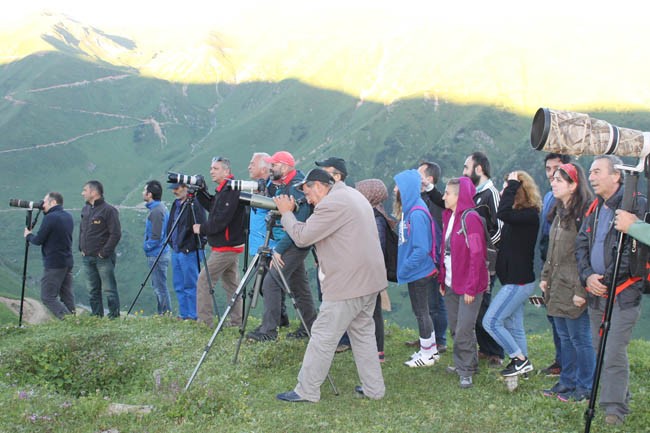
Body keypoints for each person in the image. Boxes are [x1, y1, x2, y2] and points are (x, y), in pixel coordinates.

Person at [274, 168, 386, 402]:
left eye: (308, 193)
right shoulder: (353, 195)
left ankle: (307, 390)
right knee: (363, 334)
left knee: (323, 335)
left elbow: (302, 237)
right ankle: (374, 389)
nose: (308, 200)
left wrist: (286, 214)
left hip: (348, 283)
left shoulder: (332, 203)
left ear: (319, 186)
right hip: (370, 280)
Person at [575, 155, 645, 426]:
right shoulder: (596, 208)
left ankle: (614, 409)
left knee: (613, 350)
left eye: (597, 172)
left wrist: (605, 280)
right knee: (599, 348)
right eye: (590, 172)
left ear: (617, 176)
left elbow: (633, 252)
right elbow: (582, 244)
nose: (591, 177)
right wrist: (587, 276)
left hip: (623, 294)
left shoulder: (634, 205)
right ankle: (616, 395)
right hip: (596, 293)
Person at [246, 151, 316, 342]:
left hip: (295, 242)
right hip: (294, 240)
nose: (270, 169)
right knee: (299, 285)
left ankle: (269, 331)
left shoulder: (296, 188)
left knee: (271, 281)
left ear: (284, 168)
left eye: (274, 165)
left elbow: (298, 226)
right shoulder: (287, 185)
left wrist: (278, 249)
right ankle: (309, 326)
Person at [540, 162, 595, 402]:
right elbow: (551, 250)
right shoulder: (559, 212)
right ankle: (567, 381)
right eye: (553, 178)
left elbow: (588, 255)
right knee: (564, 336)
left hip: (574, 287)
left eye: (559, 180)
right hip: (557, 285)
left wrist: (582, 290)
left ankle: (585, 387)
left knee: (580, 339)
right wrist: (544, 278)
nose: (553, 182)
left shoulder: (583, 215)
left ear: (573, 185)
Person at [482, 171, 541, 377]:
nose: (503, 191)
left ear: (519, 190)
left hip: (518, 282)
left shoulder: (530, 215)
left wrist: (512, 185)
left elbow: (502, 213)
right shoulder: (519, 216)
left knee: (491, 321)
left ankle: (518, 358)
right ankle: (523, 367)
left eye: (507, 187)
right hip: (514, 280)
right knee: (514, 325)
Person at [440, 177, 489, 388]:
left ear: (459, 196)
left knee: (464, 329)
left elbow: (477, 255)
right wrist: (443, 279)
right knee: (454, 326)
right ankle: (465, 363)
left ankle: (467, 370)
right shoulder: (449, 217)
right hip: (452, 282)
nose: (444, 197)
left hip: (469, 285)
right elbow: (445, 251)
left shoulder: (471, 219)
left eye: (448, 193)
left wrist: (472, 286)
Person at [394, 169, 441, 367]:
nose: (395, 189)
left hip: (419, 271)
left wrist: (405, 268)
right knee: (422, 311)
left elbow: (421, 248)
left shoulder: (417, 213)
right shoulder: (411, 210)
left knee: (422, 312)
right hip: (416, 270)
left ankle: (427, 355)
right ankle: (430, 349)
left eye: (398, 185)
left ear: (407, 189)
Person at [462, 151, 504, 366]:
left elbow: (499, 228)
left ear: (479, 169)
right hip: (476, 260)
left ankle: (495, 351)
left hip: (487, 262)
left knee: (483, 305)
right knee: (478, 305)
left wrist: (487, 252)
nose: (464, 172)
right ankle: (485, 348)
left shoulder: (491, 194)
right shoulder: (475, 194)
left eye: (466, 167)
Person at [193, 156, 246, 328]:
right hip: (229, 245)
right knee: (231, 284)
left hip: (226, 247)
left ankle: (205, 322)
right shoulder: (224, 190)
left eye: (215, 168)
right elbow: (213, 208)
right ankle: (237, 321)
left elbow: (220, 220)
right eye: (211, 168)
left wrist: (201, 228)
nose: (211, 171)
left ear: (226, 171)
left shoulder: (231, 191)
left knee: (204, 280)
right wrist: (201, 192)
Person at [246, 152, 289, 327]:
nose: (249, 166)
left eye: (252, 164)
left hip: (270, 246)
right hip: (258, 245)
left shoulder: (273, 188)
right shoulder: (260, 187)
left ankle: (273, 322)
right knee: (266, 286)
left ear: (264, 168)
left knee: (268, 286)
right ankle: (280, 318)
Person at [538, 153, 571, 377]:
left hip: (566, 269)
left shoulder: (572, 201)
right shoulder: (550, 196)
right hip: (548, 263)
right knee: (554, 316)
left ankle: (571, 366)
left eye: (556, 169)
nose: (551, 174)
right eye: (548, 169)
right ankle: (561, 361)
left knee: (568, 321)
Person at [355, 179, 393, 362]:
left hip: (370, 273)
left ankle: (377, 352)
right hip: (370, 272)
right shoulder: (374, 214)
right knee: (370, 310)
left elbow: (375, 248)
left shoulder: (376, 218)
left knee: (373, 311)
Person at [24, 192, 75, 319]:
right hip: (67, 261)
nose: (42, 204)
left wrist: (28, 235)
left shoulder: (50, 218)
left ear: (53, 202)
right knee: (66, 294)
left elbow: (38, 240)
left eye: (45, 202)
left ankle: (69, 322)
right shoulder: (68, 216)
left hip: (54, 263)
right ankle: (75, 320)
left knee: (47, 296)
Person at [414, 160, 448, 353]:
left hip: (433, 257)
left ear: (430, 178)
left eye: (420, 175)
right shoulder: (423, 197)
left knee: (435, 301)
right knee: (425, 301)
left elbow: (436, 229)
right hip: (424, 256)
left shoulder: (437, 200)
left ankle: (440, 339)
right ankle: (427, 337)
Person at [79, 180, 122, 318]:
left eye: (85, 190)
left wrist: (104, 253)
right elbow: (82, 230)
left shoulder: (109, 210)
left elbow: (115, 233)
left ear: (93, 192)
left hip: (103, 258)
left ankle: (114, 316)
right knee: (92, 290)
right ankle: (96, 316)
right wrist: (81, 247)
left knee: (109, 289)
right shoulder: (85, 209)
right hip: (87, 257)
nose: (82, 193)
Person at [167, 182, 206, 320]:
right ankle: (184, 314)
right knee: (179, 284)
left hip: (189, 251)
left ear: (186, 188)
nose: (174, 191)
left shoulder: (194, 204)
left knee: (191, 284)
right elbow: (171, 223)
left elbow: (201, 226)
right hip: (177, 250)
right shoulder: (176, 204)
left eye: (177, 188)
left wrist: (193, 246)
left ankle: (194, 315)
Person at [142, 180, 172, 315]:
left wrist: (146, 247)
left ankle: (165, 314)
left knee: (160, 287)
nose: (143, 193)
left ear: (149, 194)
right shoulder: (159, 208)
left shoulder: (156, 211)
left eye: (144, 191)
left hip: (157, 254)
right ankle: (163, 313)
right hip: (159, 253)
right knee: (159, 286)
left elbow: (156, 236)